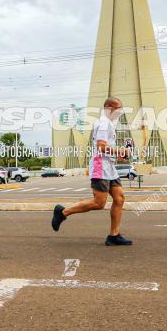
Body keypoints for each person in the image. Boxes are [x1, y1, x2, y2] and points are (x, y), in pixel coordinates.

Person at [51, 97, 133, 246]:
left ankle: (114, 236)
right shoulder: (103, 123)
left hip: (109, 167)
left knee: (119, 198)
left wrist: (117, 154)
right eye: (118, 108)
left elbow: (106, 148)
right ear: (109, 107)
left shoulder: (108, 124)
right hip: (100, 166)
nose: (120, 112)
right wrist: (120, 150)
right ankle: (62, 213)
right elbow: (101, 146)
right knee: (99, 203)